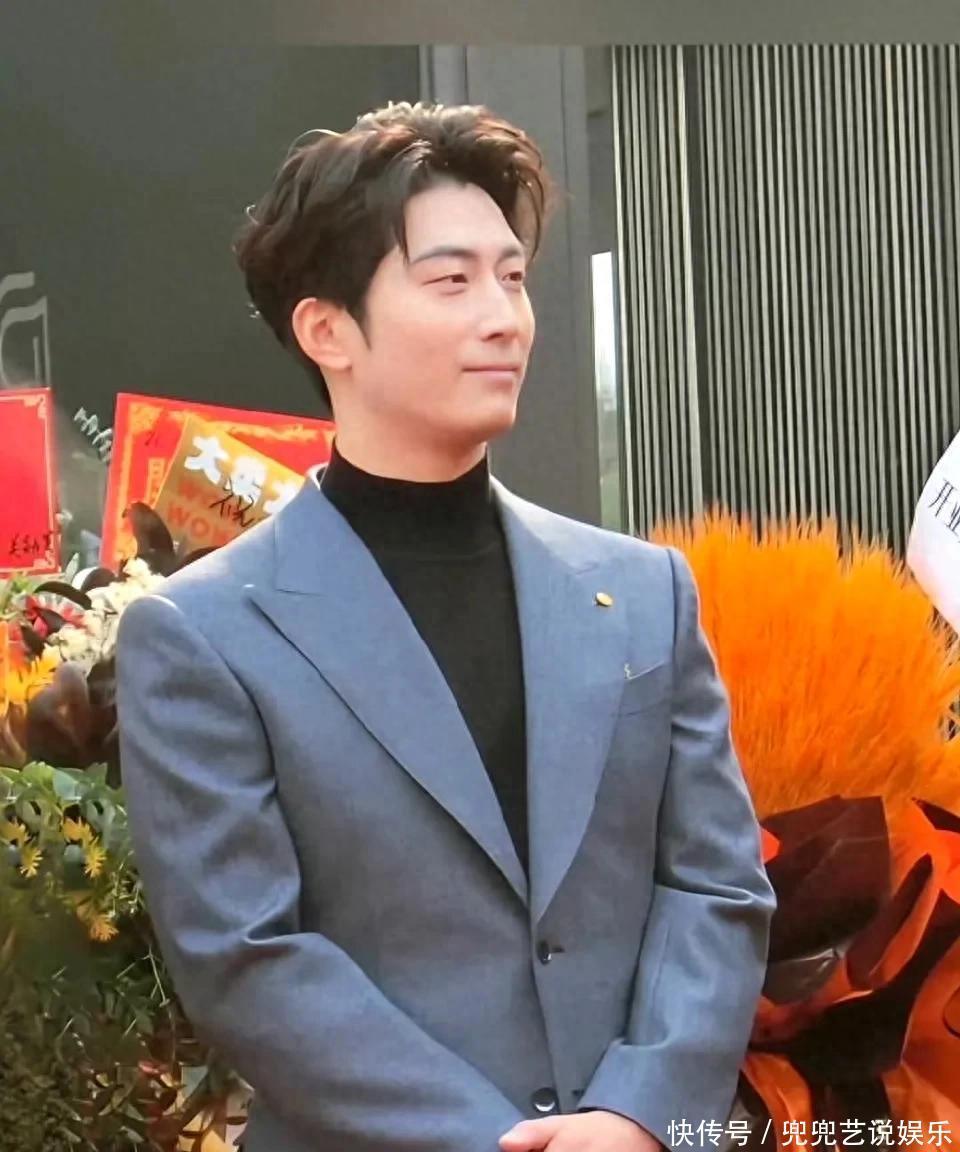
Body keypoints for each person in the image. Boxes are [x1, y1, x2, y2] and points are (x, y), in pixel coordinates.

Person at [116, 101, 776, 1152]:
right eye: (452, 281)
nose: (505, 317)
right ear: (327, 330)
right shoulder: (204, 634)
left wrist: (640, 1113)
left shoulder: (644, 590)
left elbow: (715, 883)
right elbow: (245, 956)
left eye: (512, 277)